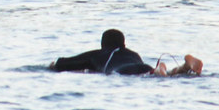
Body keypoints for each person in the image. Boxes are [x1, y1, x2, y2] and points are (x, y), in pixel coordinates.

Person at [49, 29, 203, 77]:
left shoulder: (99, 54)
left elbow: (64, 63)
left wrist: (53, 65)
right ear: (124, 44)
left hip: (122, 71)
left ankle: (164, 70)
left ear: (103, 45)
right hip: (143, 65)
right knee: (154, 73)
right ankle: (182, 67)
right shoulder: (133, 54)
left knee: (155, 76)